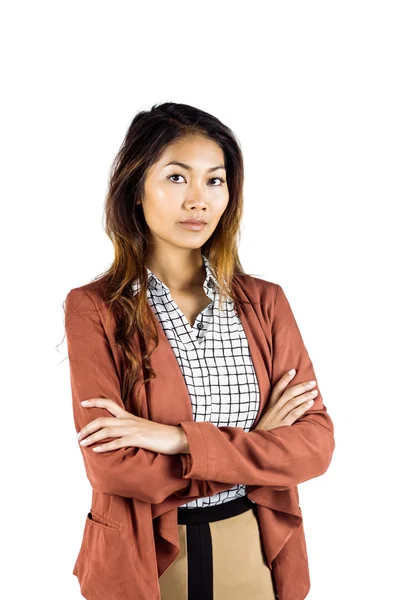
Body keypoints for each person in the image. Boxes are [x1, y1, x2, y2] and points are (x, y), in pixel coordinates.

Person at [64, 101, 335, 600]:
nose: (199, 200)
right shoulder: (94, 308)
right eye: (176, 177)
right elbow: (113, 467)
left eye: (215, 180)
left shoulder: (265, 302)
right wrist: (255, 445)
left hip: (254, 551)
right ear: (135, 189)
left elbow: (315, 446)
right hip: (144, 558)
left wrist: (177, 440)